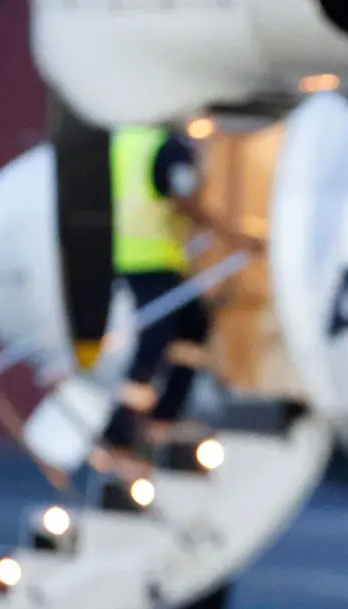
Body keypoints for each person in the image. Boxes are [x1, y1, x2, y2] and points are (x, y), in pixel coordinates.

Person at [91, 123, 264, 479]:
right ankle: (119, 435)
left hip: (129, 255)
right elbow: (185, 201)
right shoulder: (166, 147)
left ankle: (160, 421)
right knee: (155, 343)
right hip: (155, 259)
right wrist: (234, 237)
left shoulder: (124, 140)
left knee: (193, 326)